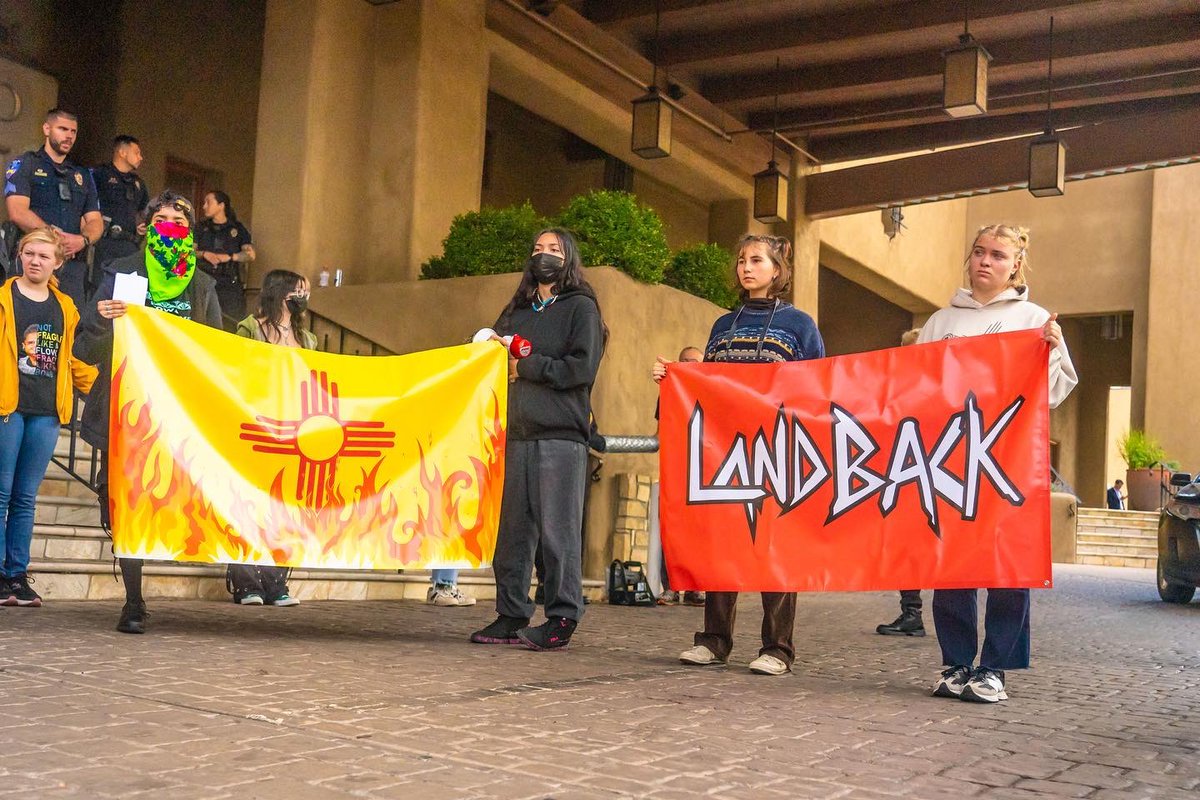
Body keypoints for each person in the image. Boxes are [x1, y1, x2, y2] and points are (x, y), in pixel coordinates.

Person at [653, 234, 825, 676]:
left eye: (757, 260)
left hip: (779, 449)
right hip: (726, 449)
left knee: (775, 546)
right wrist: (674, 378)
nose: (747, 268)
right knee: (721, 543)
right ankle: (714, 641)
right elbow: (706, 385)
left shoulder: (800, 325)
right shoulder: (722, 326)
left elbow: (819, 387)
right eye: (742, 260)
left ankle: (778, 648)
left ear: (777, 269)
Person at [925, 224, 1077, 704]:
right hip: (949, 460)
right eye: (978, 252)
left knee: (1008, 566)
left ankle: (994, 669)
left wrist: (1051, 349)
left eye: (997, 255)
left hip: (1007, 461)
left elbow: (1052, 393)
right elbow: (916, 388)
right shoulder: (940, 321)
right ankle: (956, 664)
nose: (985, 261)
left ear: (1016, 266)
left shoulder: (1034, 319)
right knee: (953, 565)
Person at [74, 191, 222, 634]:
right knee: (120, 500)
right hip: (123, 408)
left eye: (179, 219)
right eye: (160, 218)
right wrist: (101, 318)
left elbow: (216, 352)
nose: (169, 225)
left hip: (177, 412)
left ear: (190, 230)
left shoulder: (203, 286)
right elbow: (86, 345)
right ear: (146, 226)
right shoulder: (122, 273)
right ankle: (134, 601)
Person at [469, 227, 604, 651]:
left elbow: (579, 370)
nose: (542, 255)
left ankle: (563, 615)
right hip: (515, 434)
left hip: (560, 435)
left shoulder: (581, 308)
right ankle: (511, 612)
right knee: (512, 531)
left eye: (553, 249)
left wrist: (525, 364)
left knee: (557, 531)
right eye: (537, 249)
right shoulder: (519, 310)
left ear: (569, 258)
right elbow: (494, 358)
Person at [1, 228, 97, 606]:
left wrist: (101, 389)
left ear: (58, 262)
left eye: (43, 256)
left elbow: (70, 359)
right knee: (1, 493)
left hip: (46, 412)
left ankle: (17, 576)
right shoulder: (4, 298)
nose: (35, 261)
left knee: (25, 497)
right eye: (29, 253)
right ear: (20, 256)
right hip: (8, 407)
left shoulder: (65, 307)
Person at [226, 269, 318, 607]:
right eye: (299, 290)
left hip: (292, 428)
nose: (304, 297)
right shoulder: (250, 329)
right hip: (256, 425)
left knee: (284, 508)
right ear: (281, 292)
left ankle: (277, 581)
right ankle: (246, 581)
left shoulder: (307, 339)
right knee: (248, 504)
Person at [3, 109, 102, 305]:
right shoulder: (26, 164)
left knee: (70, 327)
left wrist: (83, 240)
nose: (69, 136)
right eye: (63, 129)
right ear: (47, 129)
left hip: (71, 268)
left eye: (73, 131)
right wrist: (53, 238)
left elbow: (95, 220)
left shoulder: (82, 175)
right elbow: (17, 211)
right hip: (33, 261)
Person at [876, 327, 926, 637]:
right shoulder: (897, 386)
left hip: (924, 474)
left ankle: (914, 612)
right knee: (907, 546)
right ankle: (912, 612)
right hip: (903, 475)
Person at [653, 345, 705, 607]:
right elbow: (661, 430)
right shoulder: (670, 391)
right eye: (683, 361)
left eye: (694, 362)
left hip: (705, 473)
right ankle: (671, 587)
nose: (687, 365)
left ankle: (696, 588)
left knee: (700, 533)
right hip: (676, 470)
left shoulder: (711, 389)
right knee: (671, 531)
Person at [195, 190, 254, 328]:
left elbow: (250, 254)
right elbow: (187, 251)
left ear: (221, 205)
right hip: (203, 280)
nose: (204, 206)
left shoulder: (237, 229)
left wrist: (230, 257)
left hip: (229, 284)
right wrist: (204, 254)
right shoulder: (201, 227)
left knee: (231, 323)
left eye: (208, 202)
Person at [91, 135, 150, 270]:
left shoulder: (138, 183)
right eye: (137, 153)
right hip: (104, 243)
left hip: (130, 245)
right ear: (122, 152)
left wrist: (142, 225)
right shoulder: (100, 174)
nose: (140, 158)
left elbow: (144, 211)